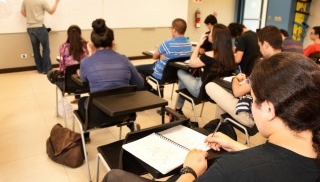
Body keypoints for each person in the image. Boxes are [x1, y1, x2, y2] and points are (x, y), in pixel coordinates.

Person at [103, 52, 320, 182]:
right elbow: (283, 163)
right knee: (218, 126)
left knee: (114, 176)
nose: (252, 107)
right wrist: (240, 148)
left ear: (270, 110)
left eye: (252, 100)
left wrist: (189, 170)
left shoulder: (231, 170)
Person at [78, 18, 144, 142]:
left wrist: (91, 55)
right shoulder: (124, 60)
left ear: (91, 43)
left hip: (97, 117)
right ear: (113, 42)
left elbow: (83, 79)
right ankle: (131, 125)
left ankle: (86, 134)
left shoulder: (86, 62)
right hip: (125, 113)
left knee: (82, 101)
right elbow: (140, 84)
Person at [205, 25, 282, 127]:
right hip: (275, 116)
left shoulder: (264, 67)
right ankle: (219, 126)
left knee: (210, 86)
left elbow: (237, 92)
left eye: (260, 46)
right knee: (225, 94)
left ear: (266, 45)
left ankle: (219, 127)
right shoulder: (287, 63)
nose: (259, 50)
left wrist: (236, 79)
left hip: (253, 116)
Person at [174, 24, 236, 116]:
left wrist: (199, 44)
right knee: (186, 79)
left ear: (216, 38)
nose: (208, 34)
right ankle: (177, 109)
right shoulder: (230, 55)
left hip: (200, 90)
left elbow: (192, 63)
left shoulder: (209, 55)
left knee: (180, 72)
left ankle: (177, 109)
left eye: (211, 32)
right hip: (216, 91)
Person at [135, 18, 192, 86]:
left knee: (135, 69)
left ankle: (150, 91)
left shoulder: (168, 43)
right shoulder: (189, 44)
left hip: (160, 74)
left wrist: (160, 55)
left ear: (174, 30)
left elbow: (154, 56)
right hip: (176, 75)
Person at [21, 0, 60, 74]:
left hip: (30, 28)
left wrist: (30, 18)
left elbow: (22, 12)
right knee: (46, 48)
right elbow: (51, 12)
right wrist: (56, 2)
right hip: (39, 27)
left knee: (36, 49)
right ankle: (46, 69)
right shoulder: (41, 0)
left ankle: (39, 68)